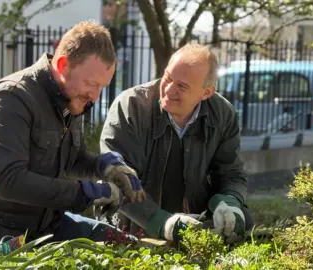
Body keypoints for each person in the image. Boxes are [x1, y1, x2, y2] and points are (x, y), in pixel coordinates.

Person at [0, 20, 147, 252]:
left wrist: (104, 167)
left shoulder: (73, 98)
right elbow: (8, 181)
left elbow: (72, 158)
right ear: (63, 64)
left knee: (126, 247)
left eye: (102, 87)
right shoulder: (11, 98)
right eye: (91, 84)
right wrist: (86, 193)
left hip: (47, 226)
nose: (95, 96)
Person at [100, 44, 254, 244]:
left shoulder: (223, 114)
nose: (169, 90)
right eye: (168, 78)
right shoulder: (131, 108)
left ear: (206, 92)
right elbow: (116, 179)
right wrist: (162, 222)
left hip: (194, 220)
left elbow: (231, 171)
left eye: (182, 86)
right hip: (133, 222)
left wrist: (230, 202)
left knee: (244, 218)